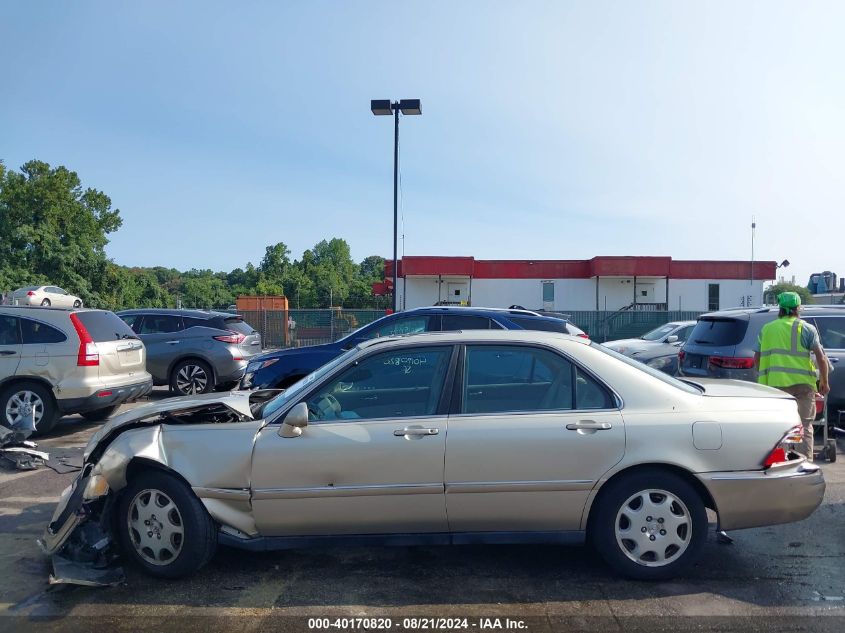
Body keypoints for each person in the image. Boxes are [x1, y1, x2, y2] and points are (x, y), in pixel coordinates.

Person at [755, 291, 830, 461]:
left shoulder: (767, 329)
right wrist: (824, 382)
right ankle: (805, 465)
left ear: (780, 308)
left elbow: (757, 359)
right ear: (798, 308)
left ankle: (780, 463)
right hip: (803, 386)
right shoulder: (807, 329)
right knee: (805, 426)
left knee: (778, 427)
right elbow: (821, 358)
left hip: (774, 388)